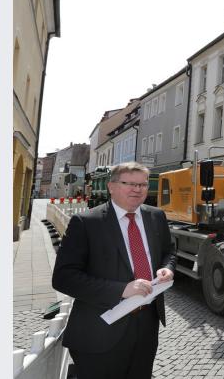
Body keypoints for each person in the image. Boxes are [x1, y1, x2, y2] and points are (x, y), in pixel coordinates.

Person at [52, 162, 176, 379]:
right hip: (100, 331)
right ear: (111, 187)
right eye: (130, 183)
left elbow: (169, 252)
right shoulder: (86, 222)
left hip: (147, 325)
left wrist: (167, 269)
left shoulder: (156, 216)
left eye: (143, 185)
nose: (138, 190)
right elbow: (64, 278)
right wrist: (122, 289)